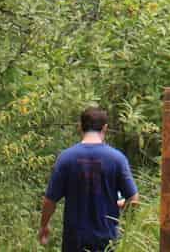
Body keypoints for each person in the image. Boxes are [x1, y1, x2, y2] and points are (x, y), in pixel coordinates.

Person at [39, 106, 138, 251]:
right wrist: (121, 207)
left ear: (80, 127)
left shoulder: (66, 158)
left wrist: (44, 226)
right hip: (107, 240)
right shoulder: (117, 159)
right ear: (105, 128)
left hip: (74, 241)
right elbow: (134, 200)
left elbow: (50, 201)